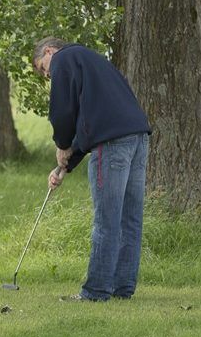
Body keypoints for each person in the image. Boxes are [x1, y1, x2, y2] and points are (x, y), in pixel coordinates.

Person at [32, 36, 151, 302]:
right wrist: (63, 167)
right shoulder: (93, 60)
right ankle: (123, 288)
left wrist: (61, 143)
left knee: (106, 220)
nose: (49, 76)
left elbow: (63, 112)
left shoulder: (63, 59)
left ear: (49, 51)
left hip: (111, 144)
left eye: (43, 69)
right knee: (129, 219)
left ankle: (96, 291)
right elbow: (90, 125)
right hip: (138, 137)